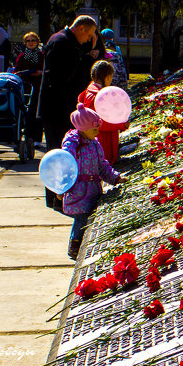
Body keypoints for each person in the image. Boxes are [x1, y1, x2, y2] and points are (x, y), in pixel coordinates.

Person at [38, 15, 98, 209]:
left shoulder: (67, 42)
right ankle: (56, 198)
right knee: (57, 154)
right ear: (80, 28)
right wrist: (87, 60)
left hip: (61, 106)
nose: (89, 39)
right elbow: (60, 77)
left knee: (63, 153)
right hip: (57, 108)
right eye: (88, 34)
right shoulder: (62, 42)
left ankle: (60, 197)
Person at [61, 103, 124, 259]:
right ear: (83, 128)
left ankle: (83, 247)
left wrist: (115, 177)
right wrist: (62, 187)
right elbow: (64, 166)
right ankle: (75, 246)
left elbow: (102, 165)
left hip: (93, 189)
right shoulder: (72, 146)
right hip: (78, 191)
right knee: (81, 218)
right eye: (94, 129)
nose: (97, 132)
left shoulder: (95, 144)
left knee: (88, 218)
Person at [78, 59, 128, 164]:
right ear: (107, 77)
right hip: (102, 141)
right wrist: (121, 125)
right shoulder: (97, 96)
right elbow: (100, 123)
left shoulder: (90, 92)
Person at [14, 30, 44, 141]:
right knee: (25, 113)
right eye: (28, 41)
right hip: (25, 87)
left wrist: (39, 72)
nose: (30, 42)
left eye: (33, 40)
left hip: (38, 87)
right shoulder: (22, 56)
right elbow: (17, 72)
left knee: (37, 113)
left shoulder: (41, 56)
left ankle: (36, 138)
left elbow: (46, 70)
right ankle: (27, 136)